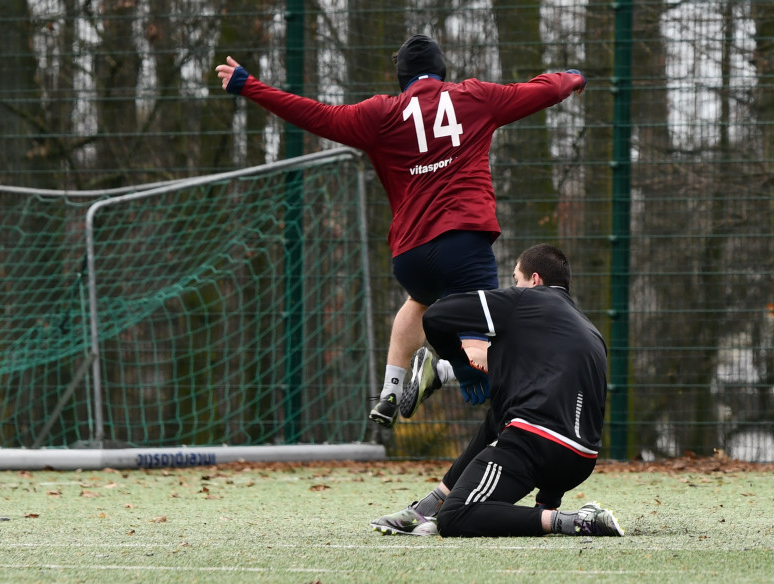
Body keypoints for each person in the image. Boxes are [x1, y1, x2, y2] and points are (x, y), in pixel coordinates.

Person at [216, 35, 587, 427]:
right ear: (442, 69)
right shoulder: (473, 97)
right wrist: (571, 78)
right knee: (493, 357)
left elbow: (316, 114)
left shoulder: (380, 114)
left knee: (418, 301)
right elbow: (537, 90)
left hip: (411, 257)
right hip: (463, 244)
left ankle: (390, 390)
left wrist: (250, 86)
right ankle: (441, 372)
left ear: (402, 77)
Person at [370, 244, 623, 537]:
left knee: (455, 516)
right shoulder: (590, 331)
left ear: (535, 280)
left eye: (516, 279)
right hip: (580, 461)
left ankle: (571, 520)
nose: (514, 286)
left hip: (534, 445)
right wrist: (549, 497)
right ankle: (427, 507)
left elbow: (435, 315)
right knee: (498, 415)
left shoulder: (524, 300)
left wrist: (460, 366)